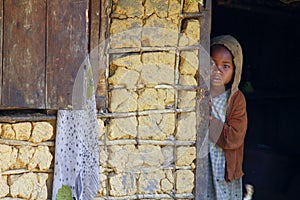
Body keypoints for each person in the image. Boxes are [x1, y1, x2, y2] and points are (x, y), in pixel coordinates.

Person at [207, 35, 248, 199]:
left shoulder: (236, 99)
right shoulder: (199, 94)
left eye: (225, 66)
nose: (217, 71)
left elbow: (234, 138)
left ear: (235, 69)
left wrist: (207, 122)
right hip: (205, 165)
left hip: (225, 168)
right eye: (211, 64)